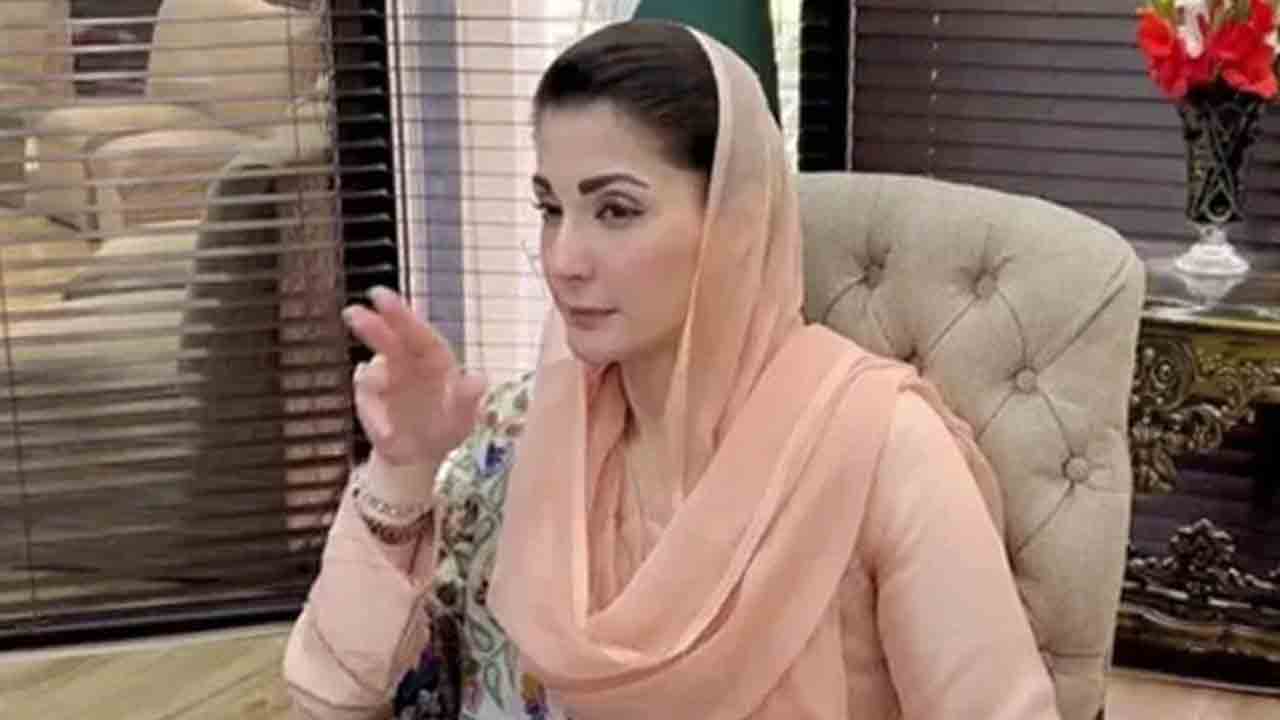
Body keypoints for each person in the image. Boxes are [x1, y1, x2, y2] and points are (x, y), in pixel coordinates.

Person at [284, 20, 1062, 720]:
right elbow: (331, 695)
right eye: (551, 208)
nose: (563, 259)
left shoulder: (880, 445)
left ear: (734, 221)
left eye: (616, 210)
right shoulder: (525, 432)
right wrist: (403, 466)